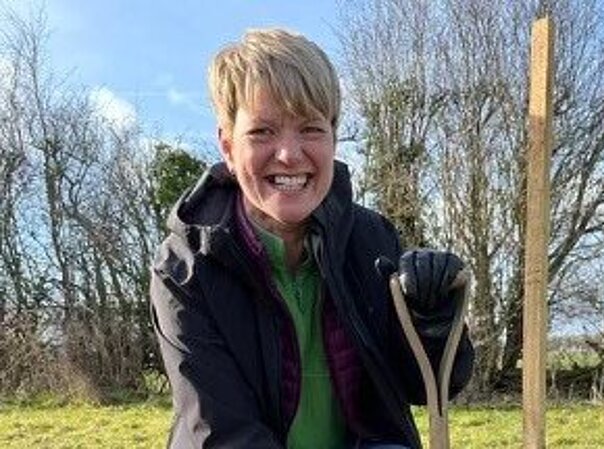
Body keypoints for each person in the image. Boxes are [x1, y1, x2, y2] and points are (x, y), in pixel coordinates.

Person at [150, 28, 474, 449]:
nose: (289, 153)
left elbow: (428, 387)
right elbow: (222, 433)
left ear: (333, 138)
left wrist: (433, 324)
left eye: (310, 129)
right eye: (263, 131)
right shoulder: (185, 268)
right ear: (228, 146)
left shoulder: (373, 240)